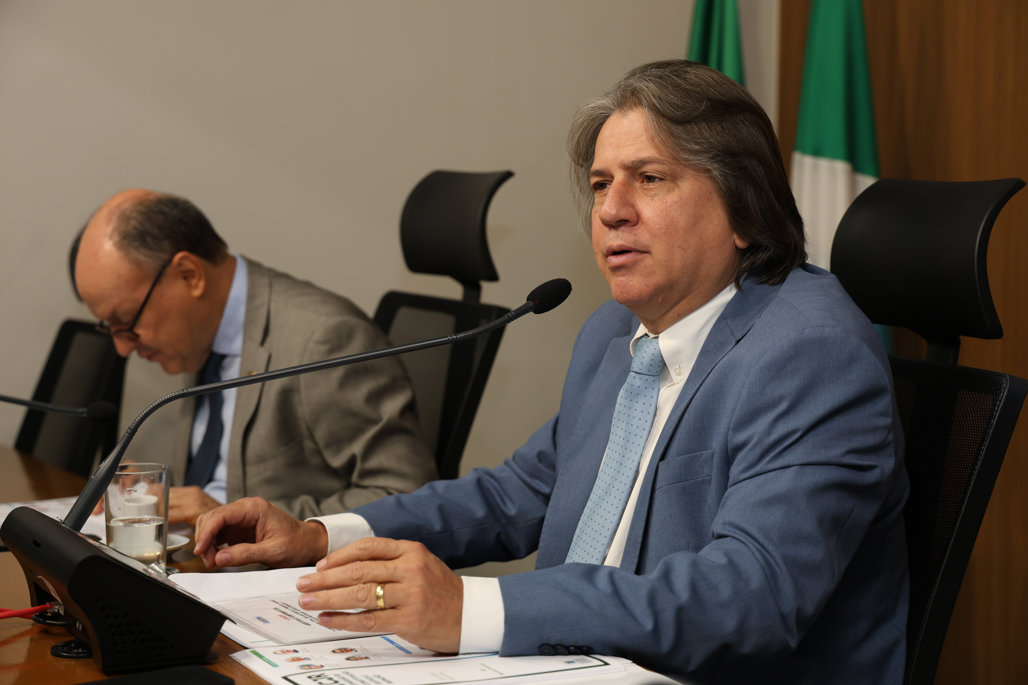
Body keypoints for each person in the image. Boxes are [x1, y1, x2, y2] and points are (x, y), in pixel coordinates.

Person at [194, 60, 908, 683]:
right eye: (600, 184)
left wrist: (468, 607)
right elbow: (519, 493)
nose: (612, 211)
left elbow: (751, 596)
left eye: (649, 179)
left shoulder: (810, 350)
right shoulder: (612, 334)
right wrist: (320, 536)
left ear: (744, 208)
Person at [73, 189, 437, 523]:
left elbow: (408, 497)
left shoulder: (325, 340)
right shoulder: (197, 331)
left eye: (126, 322)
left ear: (189, 275)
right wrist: (154, 490)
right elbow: (227, 476)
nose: (122, 348)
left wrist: (240, 518)